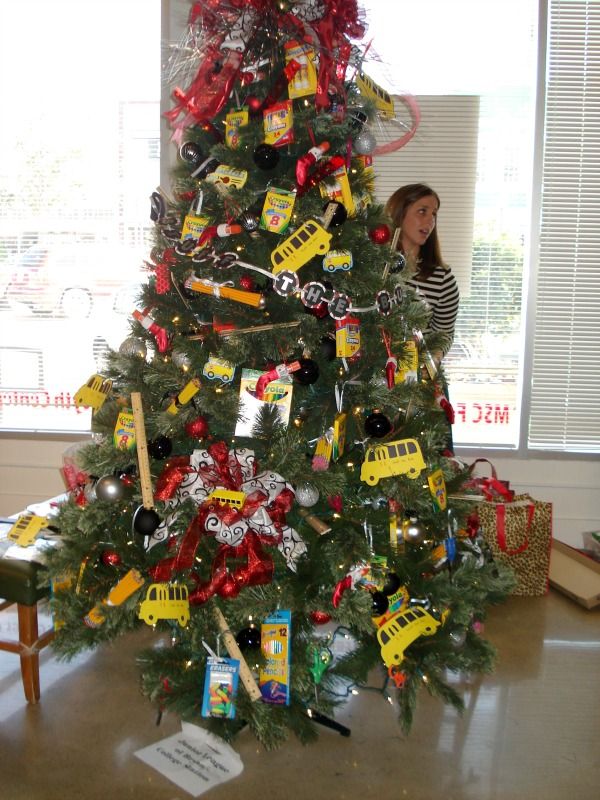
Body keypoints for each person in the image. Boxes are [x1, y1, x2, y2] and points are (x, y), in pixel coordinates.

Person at [385, 183, 459, 366]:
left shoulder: (442, 278)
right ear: (400, 213)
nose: (430, 221)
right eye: (422, 211)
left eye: (433, 214)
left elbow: (444, 334)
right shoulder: (375, 267)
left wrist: (432, 361)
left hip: (416, 382)